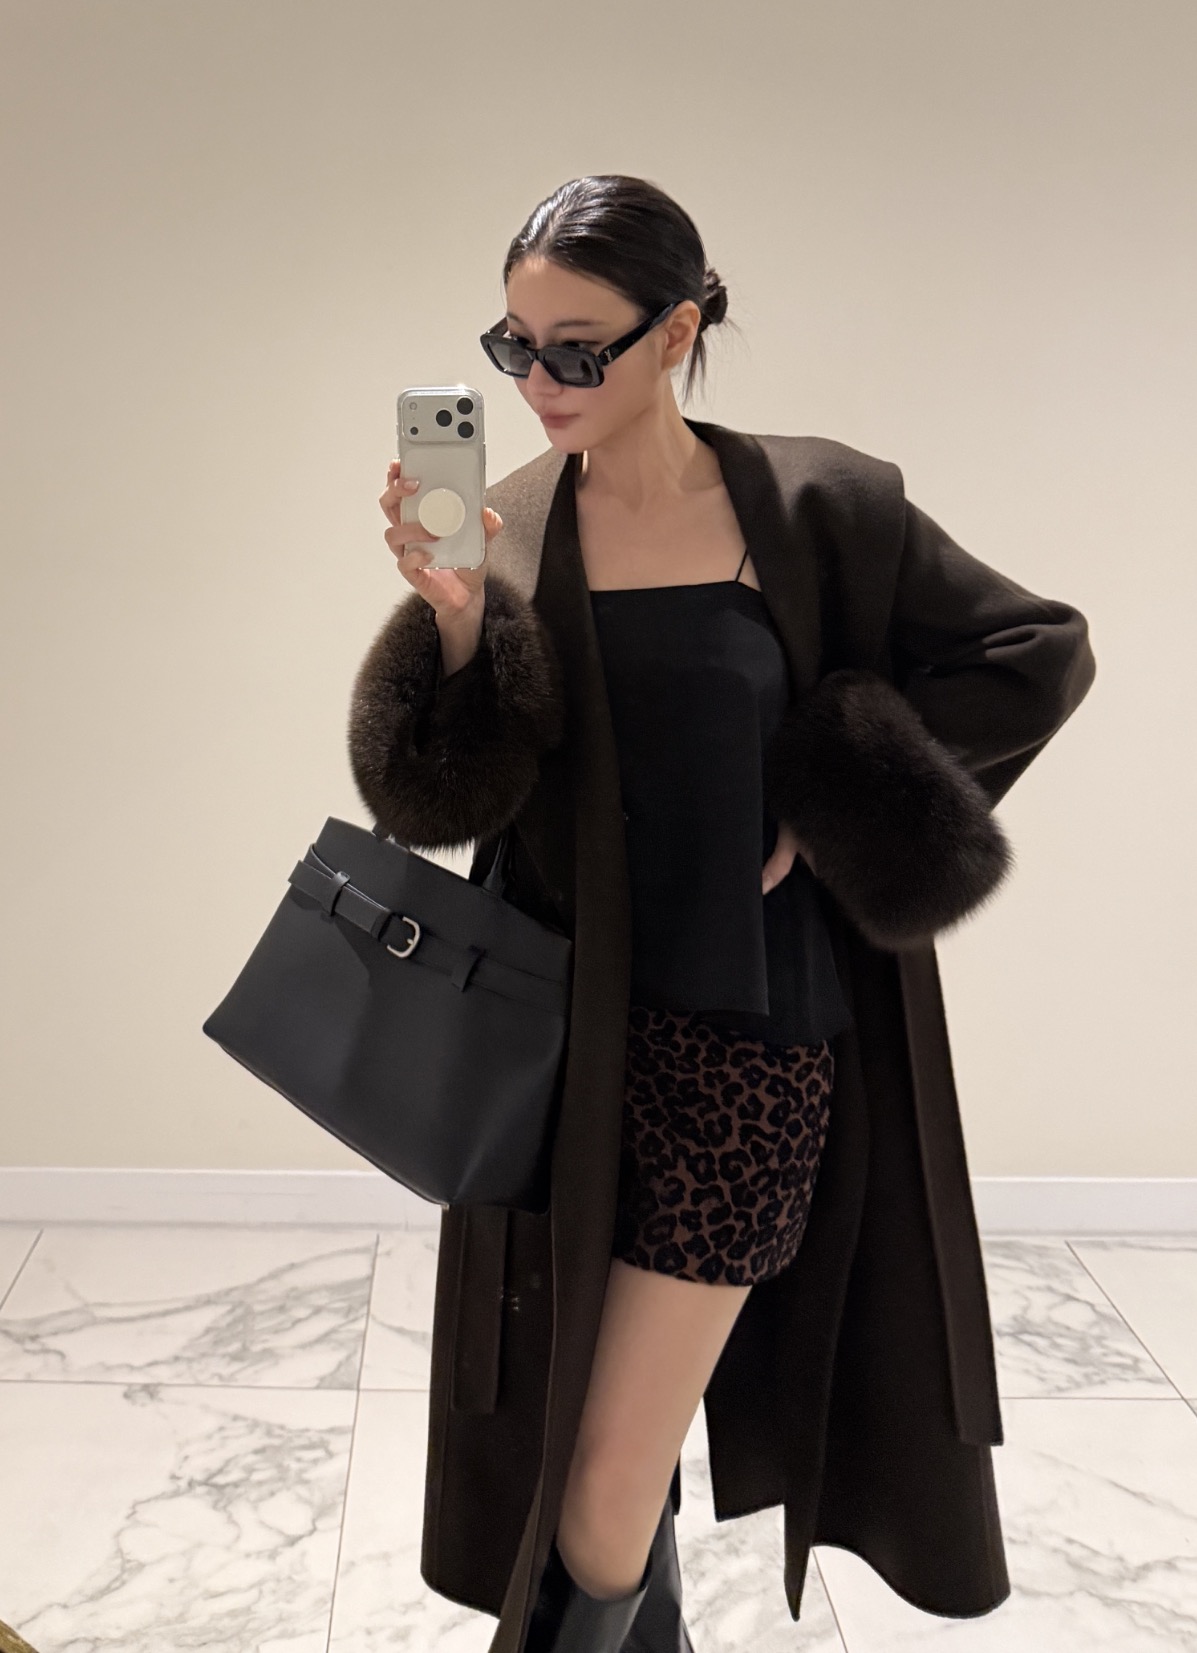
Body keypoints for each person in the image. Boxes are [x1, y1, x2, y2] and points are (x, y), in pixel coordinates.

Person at [349, 174, 1096, 1653]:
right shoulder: (510, 521)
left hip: (745, 1066)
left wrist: (835, 798)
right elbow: (441, 795)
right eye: (514, 346)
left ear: (678, 330)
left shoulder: (819, 508)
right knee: (569, 1449)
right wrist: (456, 618)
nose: (541, 380)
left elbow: (1035, 650)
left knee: (598, 1491)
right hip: (562, 1067)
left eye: (579, 347)